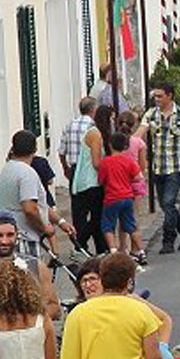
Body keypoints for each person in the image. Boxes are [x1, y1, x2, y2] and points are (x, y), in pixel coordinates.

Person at [0, 130, 75, 260]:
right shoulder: (27, 174)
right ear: (34, 150)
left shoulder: (7, 169)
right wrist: (44, 227)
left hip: (11, 234)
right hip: (25, 237)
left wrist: (60, 221)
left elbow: (40, 205)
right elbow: (30, 209)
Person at [144, 82, 180, 254]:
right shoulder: (151, 114)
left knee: (168, 202)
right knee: (166, 205)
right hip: (158, 167)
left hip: (175, 167)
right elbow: (141, 132)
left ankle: (168, 239)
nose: (157, 99)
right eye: (155, 96)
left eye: (160, 96)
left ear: (170, 96)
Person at [0, 210, 61, 320]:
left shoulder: (35, 266)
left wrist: (28, 323)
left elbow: (53, 306)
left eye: (10, 235)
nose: (5, 241)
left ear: (17, 235)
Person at [71, 105, 112, 255]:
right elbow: (96, 162)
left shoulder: (95, 133)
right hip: (91, 181)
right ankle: (80, 244)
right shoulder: (95, 134)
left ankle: (100, 248)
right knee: (96, 218)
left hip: (91, 181)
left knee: (97, 217)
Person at [98, 130, 146, 260]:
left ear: (110, 145)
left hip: (112, 198)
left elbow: (101, 180)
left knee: (108, 226)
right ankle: (141, 251)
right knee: (131, 225)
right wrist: (128, 179)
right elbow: (139, 177)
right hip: (127, 197)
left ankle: (113, 251)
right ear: (125, 146)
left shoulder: (106, 162)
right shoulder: (129, 161)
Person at [120, 111, 151, 223]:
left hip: (120, 180)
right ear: (134, 125)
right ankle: (135, 234)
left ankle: (123, 235)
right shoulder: (138, 142)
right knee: (134, 216)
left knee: (122, 217)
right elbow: (142, 165)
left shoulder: (115, 141)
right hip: (135, 179)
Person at [60, 96, 97, 184]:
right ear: (93, 109)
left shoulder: (69, 125)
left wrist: (65, 168)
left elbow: (61, 152)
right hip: (89, 169)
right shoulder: (93, 126)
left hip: (74, 168)